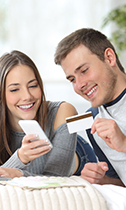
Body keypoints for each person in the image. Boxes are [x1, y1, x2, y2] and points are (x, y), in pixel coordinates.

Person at [0, 50, 97, 178]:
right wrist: (21, 157)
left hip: (74, 151)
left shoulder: (63, 111)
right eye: (14, 89)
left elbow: (56, 176)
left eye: (33, 86)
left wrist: (18, 172)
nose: (27, 96)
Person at [54, 28, 126, 187]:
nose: (80, 85)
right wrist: (102, 180)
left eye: (84, 71)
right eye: (72, 79)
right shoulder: (93, 120)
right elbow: (121, 183)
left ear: (109, 57)